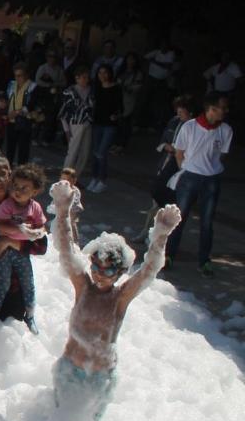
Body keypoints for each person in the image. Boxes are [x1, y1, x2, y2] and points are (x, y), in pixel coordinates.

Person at [49, 181, 181, 421]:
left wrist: (160, 236)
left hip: (99, 378)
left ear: (120, 272)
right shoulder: (83, 288)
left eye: (108, 270)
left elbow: (148, 271)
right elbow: (66, 251)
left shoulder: (119, 299)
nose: (99, 274)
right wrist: (63, 210)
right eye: (96, 266)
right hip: (69, 371)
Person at [165, 92, 233, 276]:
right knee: (180, 217)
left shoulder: (225, 130)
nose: (224, 111)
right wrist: (186, 170)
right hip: (190, 176)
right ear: (211, 109)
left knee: (207, 221)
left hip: (211, 178)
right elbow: (179, 152)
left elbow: (222, 155)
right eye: (221, 108)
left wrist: (209, 168)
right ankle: (169, 255)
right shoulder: (190, 126)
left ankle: (204, 260)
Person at [0, 164, 47, 332]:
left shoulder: (35, 207)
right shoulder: (8, 205)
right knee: (4, 281)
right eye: (15, 186)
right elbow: (0, 226)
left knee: (28, 283)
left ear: (34, 191)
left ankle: (30, 315)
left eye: (24, 188)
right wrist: (20, 230)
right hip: (4, 251)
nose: (18, 191)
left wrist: (37, 232)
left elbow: (42, 228)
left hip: (21, 252)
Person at [136, 95, 192, 242]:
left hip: (180, 169)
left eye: (182, 112)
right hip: (166, 164)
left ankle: (160, 237)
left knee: (170, 206)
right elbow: (163, 140)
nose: (179, 115)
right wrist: (167, 147)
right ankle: (146, 232)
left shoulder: (193, 127)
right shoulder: (174, 122)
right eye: (178, 111)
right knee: (156, 202)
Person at [87, 64, 123, 193]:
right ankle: (94, 178)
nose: (102, 75)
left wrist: (116, 116)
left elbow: (121, 107)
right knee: (95, 152)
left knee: (101, 153)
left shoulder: (116, 88)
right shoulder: (96, 88)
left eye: (105, 72)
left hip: (109, 125)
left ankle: (102, 180)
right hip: (97, 123)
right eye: (100, 73)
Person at [59, 67, 94, 177]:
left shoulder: (91, 90)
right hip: (75, 123)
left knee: (84, 153)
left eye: (87, 77)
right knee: (72, 152)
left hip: (88, 123)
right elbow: (64, 113)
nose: (85, 80)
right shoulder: (69, 92)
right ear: (77, 78)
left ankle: (75, 178)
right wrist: (67, 130)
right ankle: (64, 178)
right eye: (83, 77)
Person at [4, 64, 36, 166]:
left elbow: (32, 105)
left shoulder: (33, 86)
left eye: (20, 75)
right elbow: (7, 99)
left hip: (25, 121)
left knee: (23, 150)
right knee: (10, 149)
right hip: (11, 120)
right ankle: (8, 171)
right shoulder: (11, 84)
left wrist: (17, 112)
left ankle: (21, 172)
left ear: (26, 75)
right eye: (16, 75)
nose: (17, 78)